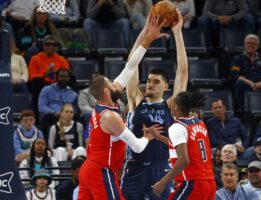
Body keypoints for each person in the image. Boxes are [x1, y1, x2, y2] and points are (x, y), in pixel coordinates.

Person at [78, 14, 167, 199]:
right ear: (106, 92)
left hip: (90, 169)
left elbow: (131, 66)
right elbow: (137, 146)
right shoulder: (110, 117)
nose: (115, 82)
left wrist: (146, 34)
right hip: (101, 171)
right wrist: (148, 136)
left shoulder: (104, 100)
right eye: (111, 82)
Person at [121, 9, 188, 200]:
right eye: (149, 80)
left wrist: (177, 32)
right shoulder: (136, 99)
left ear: (166, 86)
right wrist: (146, 31)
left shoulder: (171, 106)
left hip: (160, 168)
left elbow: (183, 71)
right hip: (134, 167)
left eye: (156, 82)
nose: (150, 84)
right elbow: (131, 63)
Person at [151, 90, 216, 199]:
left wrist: (162, 182)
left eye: (172, 102)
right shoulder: (200, 123)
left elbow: (183, 159)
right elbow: (184, 146)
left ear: (176, 107)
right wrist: (159, 137)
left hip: (193, 183)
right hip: (209, 182)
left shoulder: (177, 127)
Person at [230, 34, 261, 109]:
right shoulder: (237, 58)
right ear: (244, 45)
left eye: (253, 43)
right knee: (239, 84)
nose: (250, 45)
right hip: (247, 84)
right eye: (248, 43)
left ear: (257, 46)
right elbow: (235, 74)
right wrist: (250, 83)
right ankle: (243, 110)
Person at [29, 34, 69, 115]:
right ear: (43, 46)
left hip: (59, 85)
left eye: (53, 44)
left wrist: (58, 74)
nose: (51, 46)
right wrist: (45, 74)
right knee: (36, 83)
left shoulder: (61, 59)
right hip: (42, 85)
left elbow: (68, 75)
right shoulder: (35, 59)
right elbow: (32, 77)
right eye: (48, 44)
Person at [38, 68, 77, 140]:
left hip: (67, 117)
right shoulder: (47, 89)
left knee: (78, 119)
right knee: (45, 119)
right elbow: (41, 107)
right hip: (51, 116)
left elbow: (75, 109)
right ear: (56, 77)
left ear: (69, 78)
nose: (63, 78)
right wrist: (54, 113)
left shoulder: (73, 94)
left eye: (66, 77)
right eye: (61, 76)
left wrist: (66, 114)